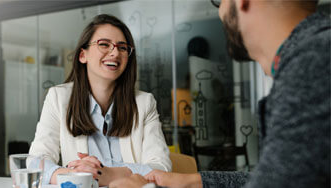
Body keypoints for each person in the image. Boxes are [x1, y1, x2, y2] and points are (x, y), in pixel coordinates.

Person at [109, 0, 330, 187]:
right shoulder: (314, 55)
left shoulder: (313, 64)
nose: (221, 11)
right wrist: (194, 181)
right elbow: (276, 176)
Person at [29, 14, 171, 186]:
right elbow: (36, 161)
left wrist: (109, 173)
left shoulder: (145, 103)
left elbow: (161, 168)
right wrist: (77, 173)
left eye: (123, 47)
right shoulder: (58, 98)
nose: (115, 52)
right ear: (83, 55)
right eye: (104, 44)